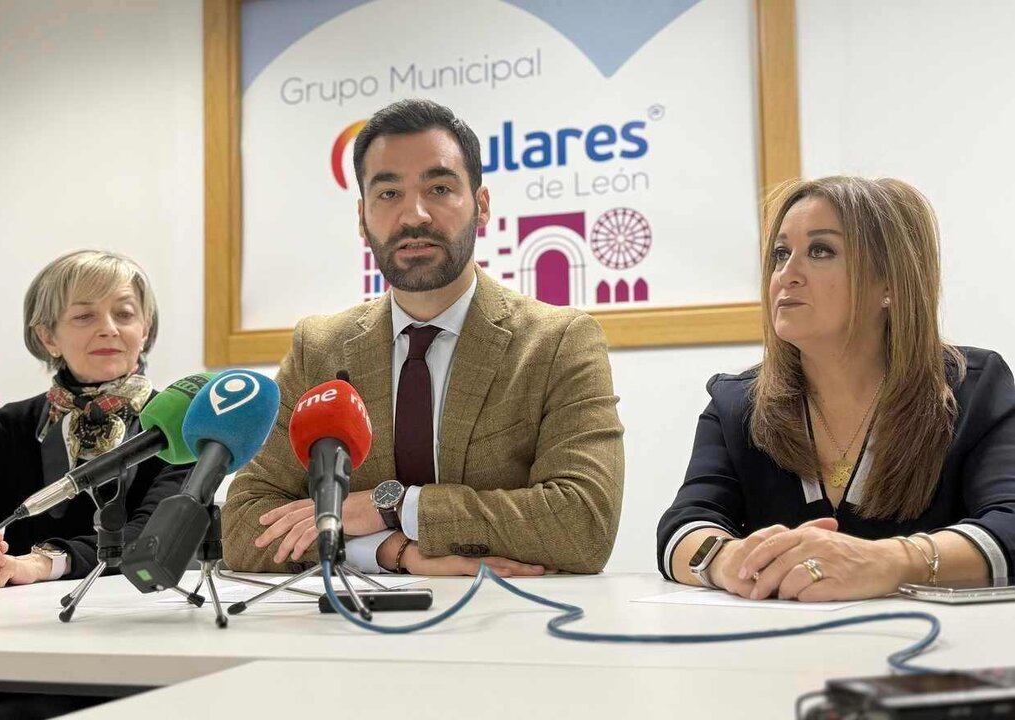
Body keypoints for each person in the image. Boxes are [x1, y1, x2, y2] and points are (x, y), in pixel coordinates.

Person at [223, 98, 624, 577]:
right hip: (350, 634)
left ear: (481, 206)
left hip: (514, 625)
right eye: (389, 194)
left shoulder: (558, 342)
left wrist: (393, 506)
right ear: (361, 217)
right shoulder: (320, 348)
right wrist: (392, 551)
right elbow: (245, 525)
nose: (414, 215)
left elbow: (583, 523)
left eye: (439, 188)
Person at [657, 176, 1015, 602]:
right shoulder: (735, 402)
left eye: (820, 251)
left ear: (889, 284)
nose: (786, 275)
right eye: (780, 254)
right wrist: (727, 560)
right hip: (778, 658)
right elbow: (684, 526)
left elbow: (1009, 523)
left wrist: (890, 562)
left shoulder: (973, 388)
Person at [0, 250, 188, 718]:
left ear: (145, 329)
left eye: (125, 313)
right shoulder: (5, 428)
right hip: (25, 650)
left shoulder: (181, 426)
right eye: (84, 315)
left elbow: (152, 538)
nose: (109, 328)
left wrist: (44, 563)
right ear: (47, 336)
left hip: (149, 642)